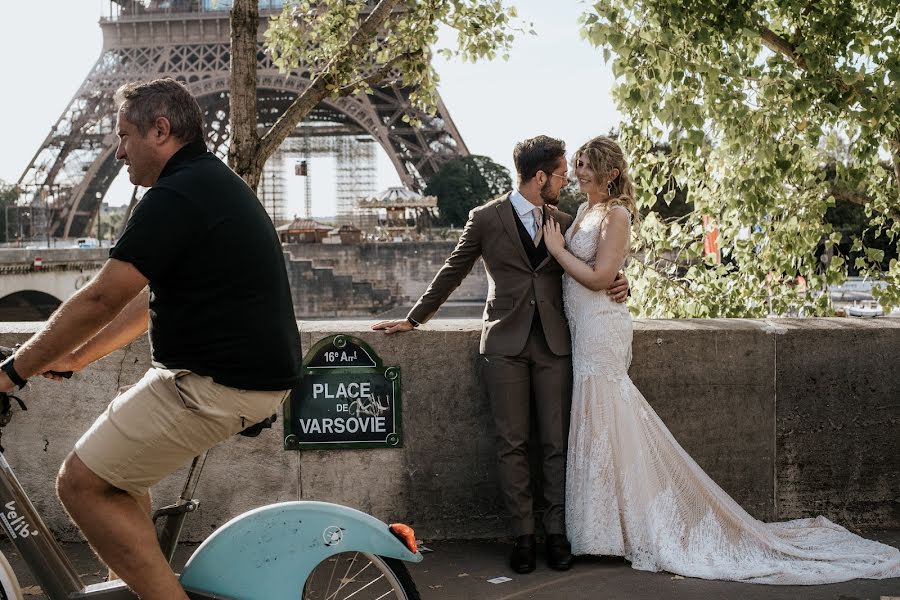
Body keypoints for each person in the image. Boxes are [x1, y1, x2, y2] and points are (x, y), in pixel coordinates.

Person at [542, 135, 900, 584]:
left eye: (587, 165)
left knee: (609, 414)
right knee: (600, 421)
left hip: (601, 328)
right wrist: (614, 275)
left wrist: (561, 253)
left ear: (610, 173)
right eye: (576, 165)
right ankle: (604, 529)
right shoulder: (582, 213)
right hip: (584, 327)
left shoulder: (616, 214)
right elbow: (603, 268)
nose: (578, 172)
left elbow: (599, 276)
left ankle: (622, 528)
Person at [0, 78, 302, 599]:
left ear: (160, 130)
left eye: (123, 136)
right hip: (238, 379)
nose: (117, 152)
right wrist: (75, 357)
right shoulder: (209, 182)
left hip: (209, 384)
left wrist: (10, 374)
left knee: (79, 484)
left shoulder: (175, 195)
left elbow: (100, 299)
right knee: (117, 480)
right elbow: (145, 300)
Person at [372, 135, 629, 574]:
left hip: (555, 343)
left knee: (555, 444)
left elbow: (599, 263)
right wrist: (415, 319)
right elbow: (452, 270)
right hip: (503, 345)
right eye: (562, 173)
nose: (567, 179)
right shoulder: (485, 218)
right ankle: (523, 536)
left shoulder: (566, 220)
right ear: (540, 176)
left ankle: (557, 535)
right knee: (511, 444)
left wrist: (622, 282)